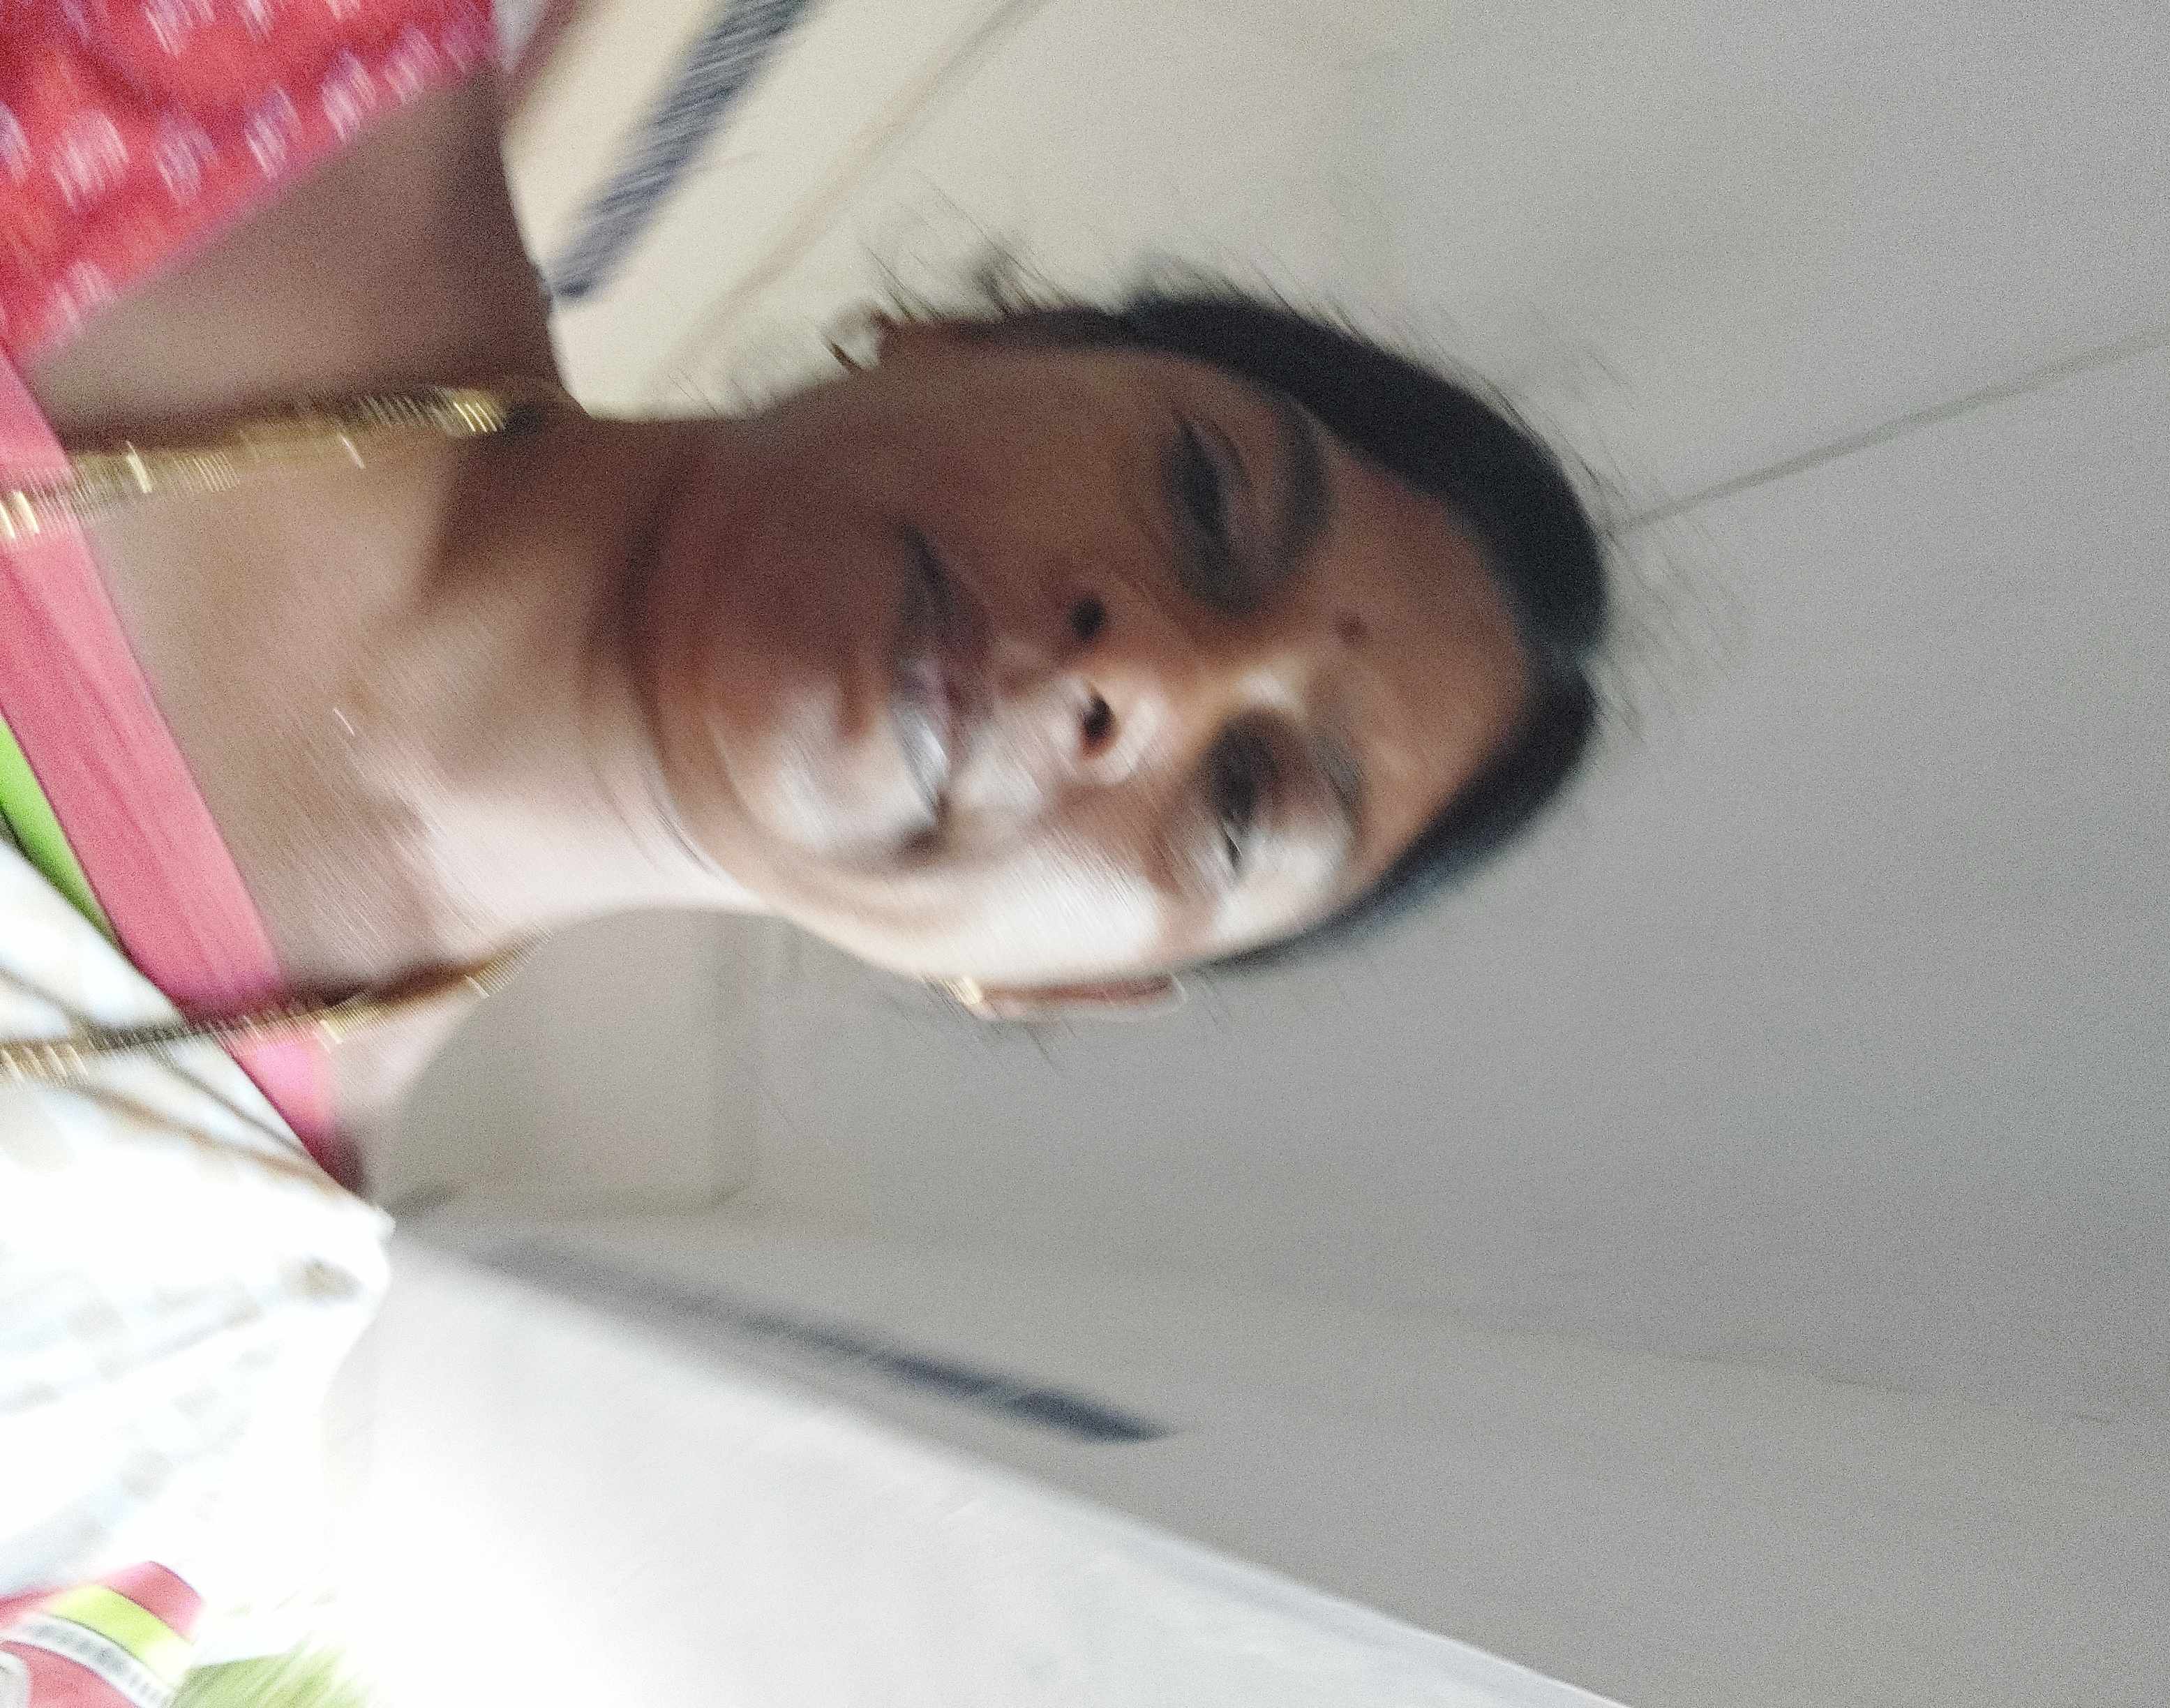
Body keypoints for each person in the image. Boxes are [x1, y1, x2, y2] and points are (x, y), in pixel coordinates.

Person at [1, 0, 1606, 1688]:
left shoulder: (164, 1429)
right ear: (982, 338)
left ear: (1059, 986)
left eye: (1242, 802)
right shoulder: (246, 41)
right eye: (1206, 500)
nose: (1136, 675)